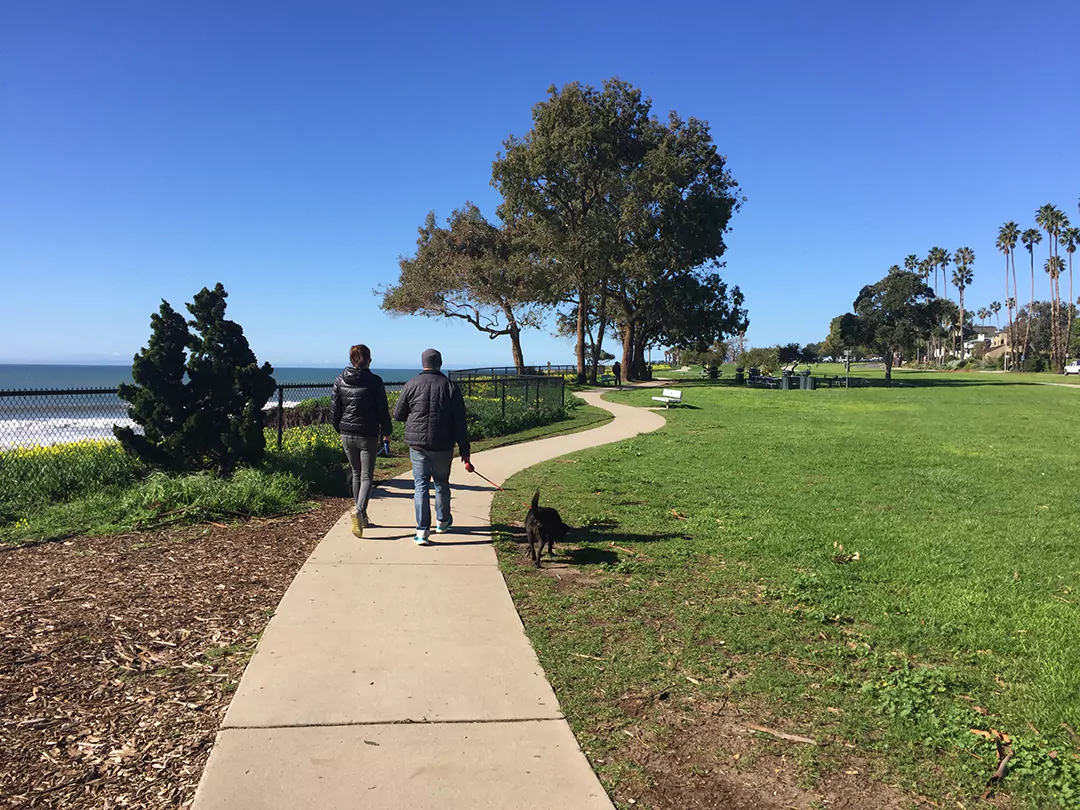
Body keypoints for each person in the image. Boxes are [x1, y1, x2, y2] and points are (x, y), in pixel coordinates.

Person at [394, 349, 471, 546]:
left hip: (418, 445)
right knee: (441, 483)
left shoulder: (411, 384)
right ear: (441, 363)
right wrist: (465, 450)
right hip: (443, 444)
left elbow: (398, 414)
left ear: (422, 363)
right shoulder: (450, 386)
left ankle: (421, 531)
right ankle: (442, 521)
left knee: (420, 485)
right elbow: (460, 421)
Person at [331, 344, 392, 539]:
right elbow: (383, 409)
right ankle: (359, 511)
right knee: (367, 476)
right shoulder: (375, 381)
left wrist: (339, 428)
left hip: (346, 433)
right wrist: (387, 431)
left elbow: (335, 409)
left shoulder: (340, 379)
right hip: (367, 434)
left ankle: (362, 516)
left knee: (356, 473)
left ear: (351, 359)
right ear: (368, 359)